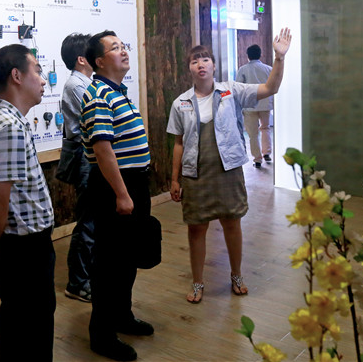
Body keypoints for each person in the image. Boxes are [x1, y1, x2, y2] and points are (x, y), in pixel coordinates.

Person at [167, 28, 291, 304]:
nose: (201, 64)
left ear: (214, 65)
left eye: (205, 59)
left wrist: (279, 58)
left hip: (228, 170)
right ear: (189, 68)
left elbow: (270, 88)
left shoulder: (231, 91)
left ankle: (236, 275)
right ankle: (198, 282)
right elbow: (178, 144)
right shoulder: (181, 103)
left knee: (232, 224)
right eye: (195, 61)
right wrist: (175, 179)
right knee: (196, 228)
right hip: (195, 174)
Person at [0, 44, 56, 361]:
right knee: (30, 330)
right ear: (17, 76)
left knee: (20, 324)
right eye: (37, 71)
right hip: (23, 249)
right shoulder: (9, 127)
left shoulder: (4, 120)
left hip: (20, 247)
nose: (43, 80)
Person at [81, 31, 153, 362]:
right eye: (115, 48)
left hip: (132, 184)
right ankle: (102, 334)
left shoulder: (117, 92)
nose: (124, 51)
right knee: (110, 264)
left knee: (127, 258)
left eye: (123, 46)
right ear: (99, 61)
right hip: (116, 187)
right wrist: (122, 195)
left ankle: (122, 316)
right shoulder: (99, 95)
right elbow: (103, 149)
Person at [58, 33, 95, 303]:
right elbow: (98, 118)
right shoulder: (75, 85)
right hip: (85, 156)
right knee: (88, 223)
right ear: (82, 59)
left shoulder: (86, 83)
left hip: (90, 155)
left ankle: (87, 278)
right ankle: (78, 283)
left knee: (92, 221)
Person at [237, 44, 273, 168]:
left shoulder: (243, 69)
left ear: (247, 56)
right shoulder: (269, 69)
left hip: (249, 106)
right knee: (265, 128)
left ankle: (257, 159)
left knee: (252, 134)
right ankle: (267, 153)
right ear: (260, 54)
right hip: (265, 104)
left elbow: (238, 87)